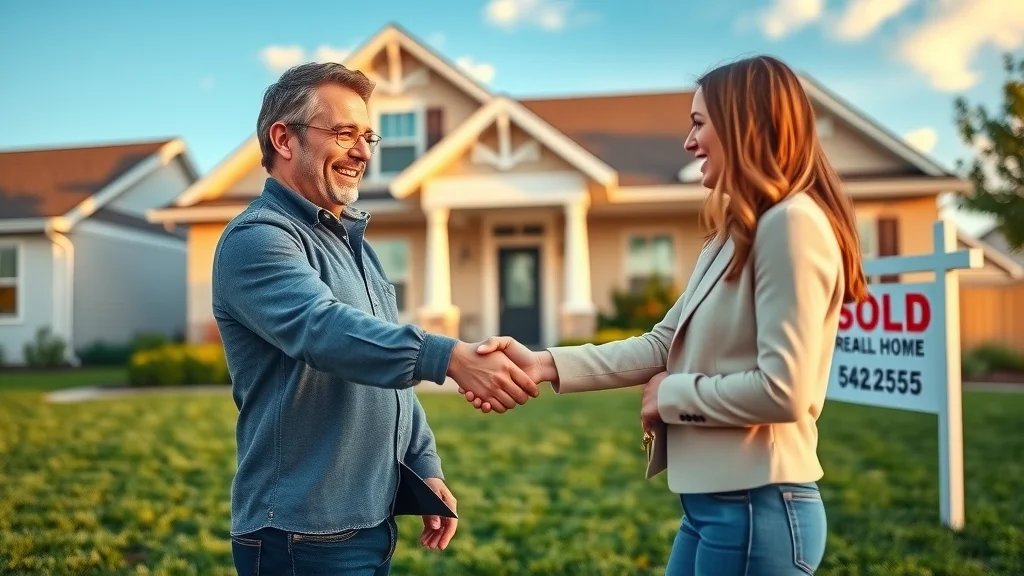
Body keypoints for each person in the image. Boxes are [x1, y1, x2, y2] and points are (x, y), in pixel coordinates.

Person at [461, 55, 869, 575]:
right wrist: (544, 364)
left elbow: (787, 389)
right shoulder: (732, 235)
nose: (689, 141)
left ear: (743, 123)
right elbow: (662, 343)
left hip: (756, 504)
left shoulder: (792, 225)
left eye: (699, 123)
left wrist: (672, 395)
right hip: (711, 507)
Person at [212, 62, 539, 576]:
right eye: (344, 133)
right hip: (299, 535)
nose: (364, 151)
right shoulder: (259, 239)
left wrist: (423, 463)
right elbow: (323, 332)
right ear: (284, 139)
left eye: (368, 136)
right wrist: (447, 356)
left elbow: (385, 373)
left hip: (369, 522)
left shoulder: (353, 244)